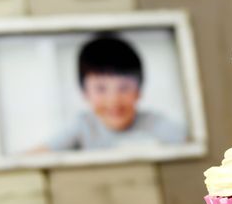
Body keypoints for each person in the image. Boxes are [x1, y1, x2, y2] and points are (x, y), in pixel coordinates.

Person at [41, 32, 187, 151]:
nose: (114, 100)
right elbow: (36, 156)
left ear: (138, 92)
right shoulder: (83, 127)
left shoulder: (155, 123)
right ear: (85, 93)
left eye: (123, 88)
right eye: (101, 89)